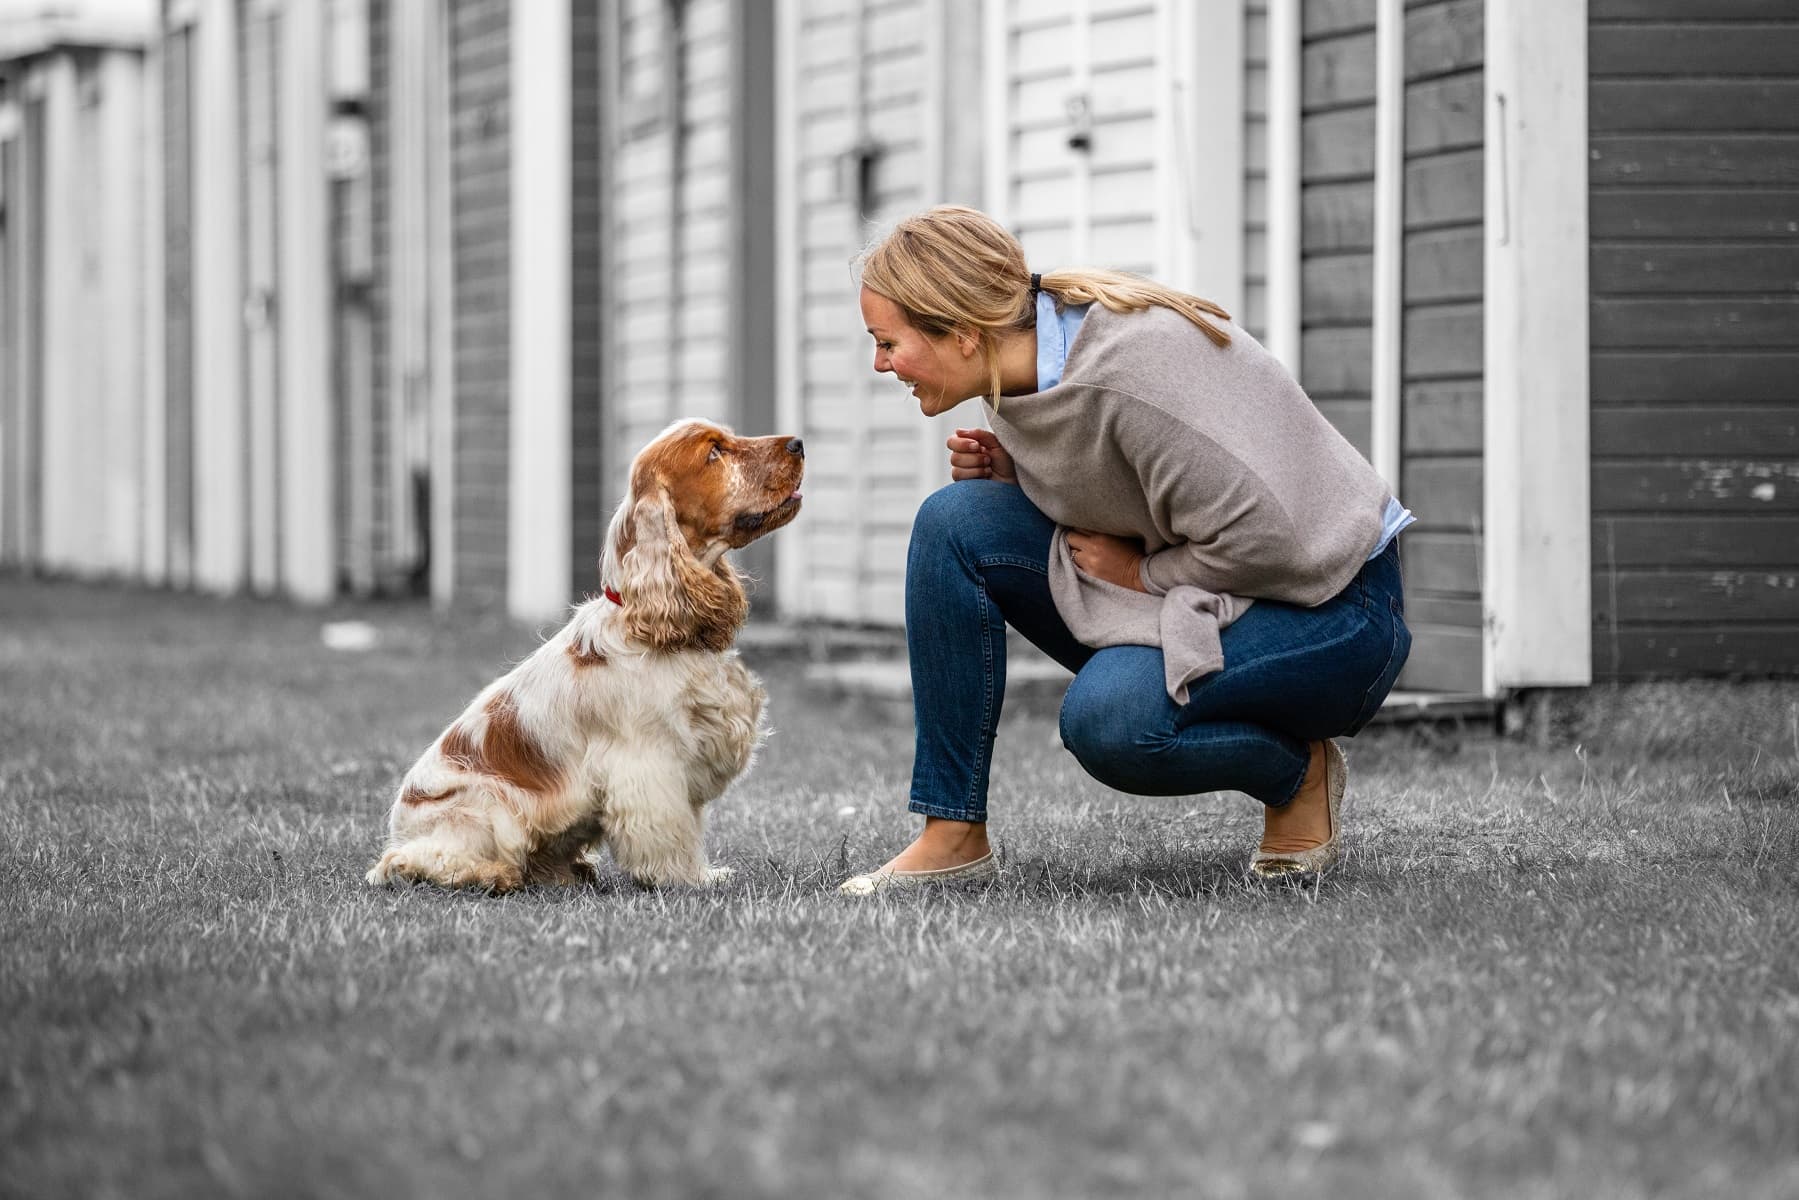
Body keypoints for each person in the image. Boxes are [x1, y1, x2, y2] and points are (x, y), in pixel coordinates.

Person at [838, 205, 1413, 895]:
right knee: (955, 521)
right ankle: (951, 834)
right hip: (1225, 586)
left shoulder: (1133, 373)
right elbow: (1137, 489)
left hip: (1335, 609)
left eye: (886, 342)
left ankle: (1297, 774)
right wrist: (1022, 479)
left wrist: (1141, 573)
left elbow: (1279, 541)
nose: (879, 364)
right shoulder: (1018, 363)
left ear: (962, 334)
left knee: (1112, 724)